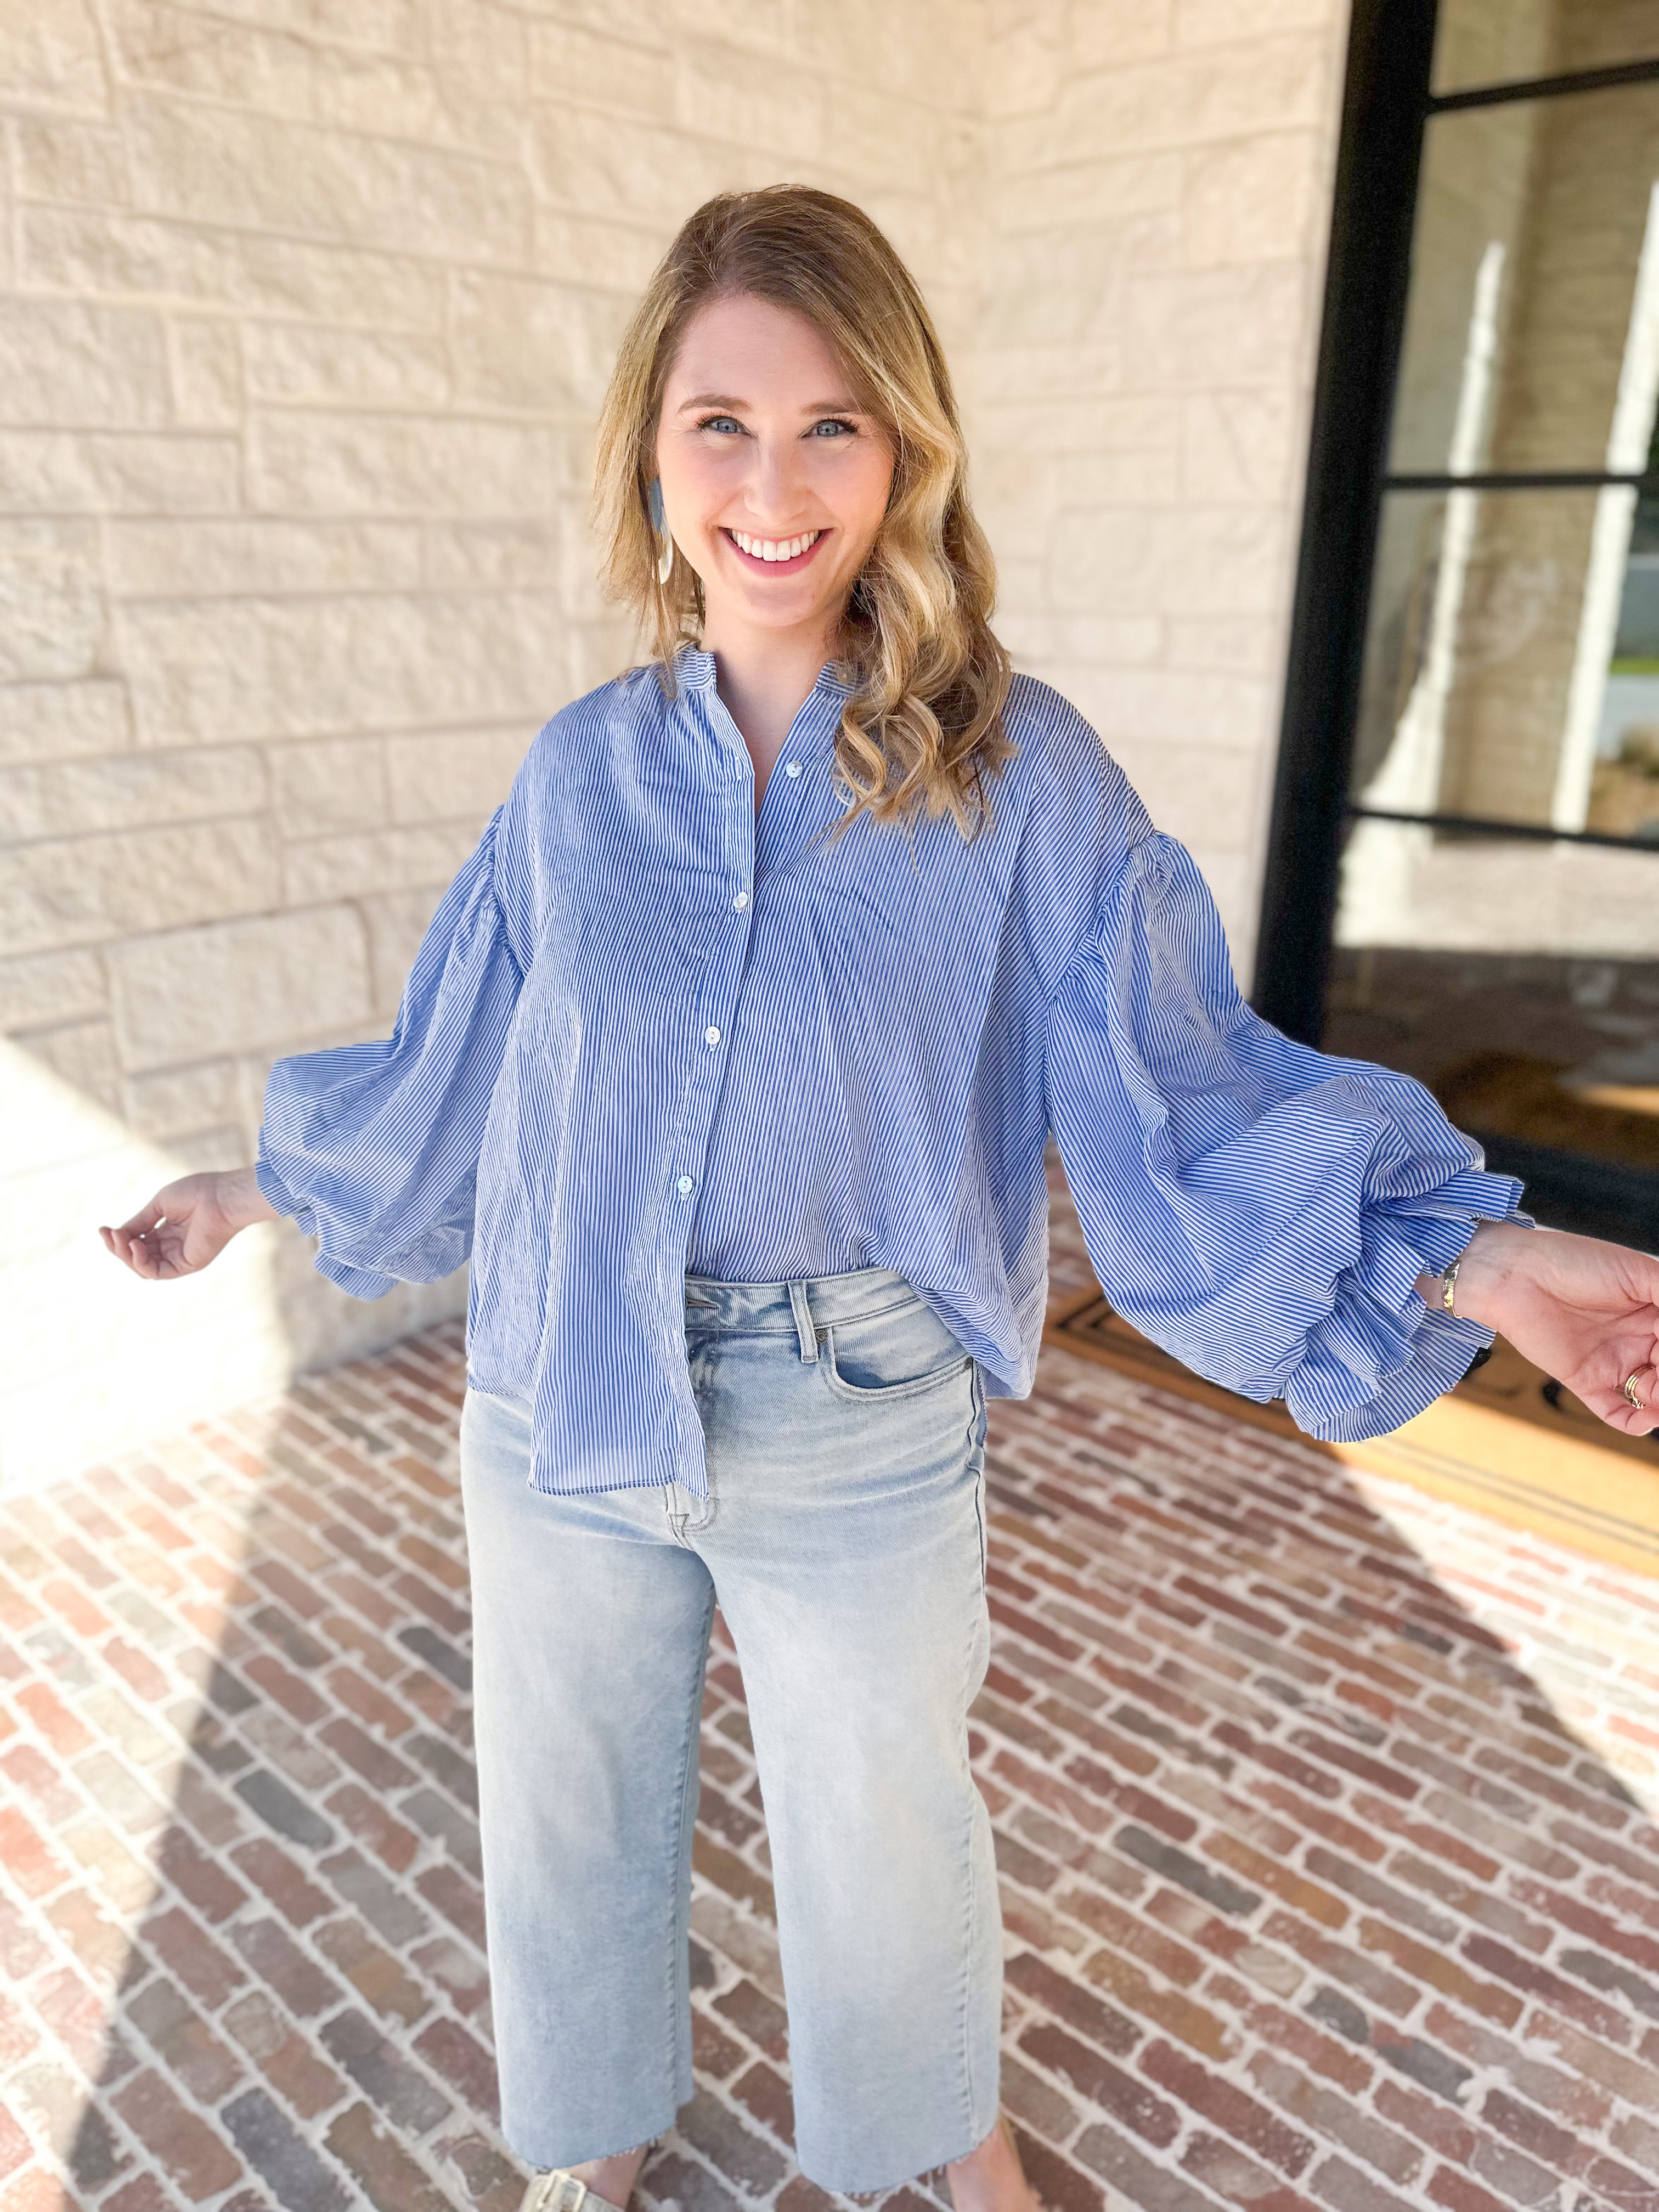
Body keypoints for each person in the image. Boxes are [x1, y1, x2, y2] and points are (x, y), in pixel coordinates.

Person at [102, 186, 1658, 2212]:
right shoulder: (577, 778)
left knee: (887, 1842)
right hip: (560, 1386)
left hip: (853, 1409)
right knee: (563, 1811)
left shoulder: (1020, 779)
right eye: (719, 422)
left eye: (834, 422)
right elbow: (472, 1060)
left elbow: (1194, 1079)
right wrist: (251, 1192)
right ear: (650, 456)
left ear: (907, 450)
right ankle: (603, 2135)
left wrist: (1491, 1251)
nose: (774, 481)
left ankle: (955, 2152)